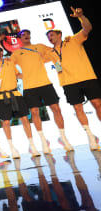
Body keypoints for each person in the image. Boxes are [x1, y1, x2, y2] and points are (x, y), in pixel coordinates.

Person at [46, 7, 101, 151]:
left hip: (87, 77)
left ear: (59, 34)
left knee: (97, 103)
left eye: (51, 35)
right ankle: (90, 136)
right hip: (69, 83)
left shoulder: (73, 40)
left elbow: (87, 28)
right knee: (78, 108)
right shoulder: (50, 52)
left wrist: (81, 16)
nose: (49, 38)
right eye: (48, 36)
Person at [11, 29, 73, 153]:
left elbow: (55, 52)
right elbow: (9, 67)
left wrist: (59, 66)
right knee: (34, 112)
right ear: (19, 39)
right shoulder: (16, 53)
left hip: (45, 84)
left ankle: (63, 137)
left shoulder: (40, 47)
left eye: (28, 34)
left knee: (56, 109)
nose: (26, 36)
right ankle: (43, 140)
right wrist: (18, 74)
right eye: (23, 35)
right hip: (29, 87)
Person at [0, 47, 38, 158]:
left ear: (1, 52)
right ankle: (12, 147)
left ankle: (32, 145)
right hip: (1, 98)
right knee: (6, 122)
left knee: (25, 119)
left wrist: (30, 73)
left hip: (15, 95)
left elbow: (18, 75)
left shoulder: (10, 62)